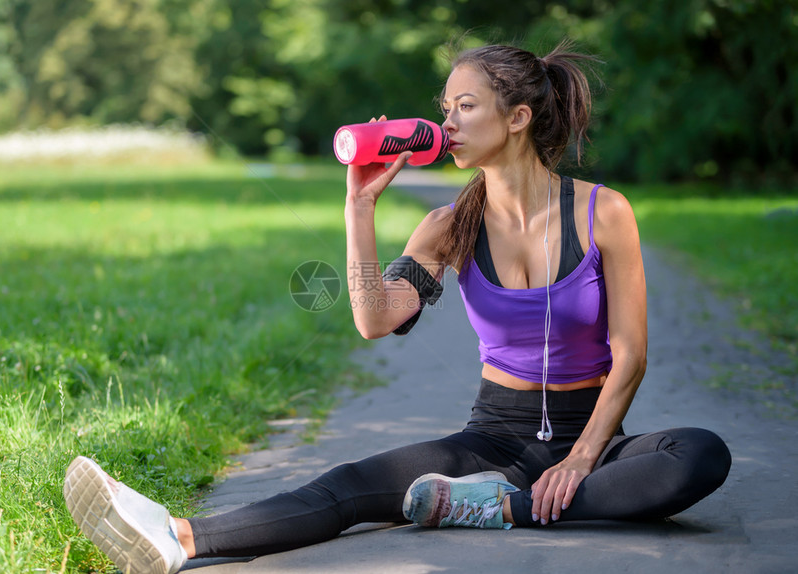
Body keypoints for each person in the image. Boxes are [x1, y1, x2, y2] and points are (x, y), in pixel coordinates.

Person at [62, 41, 732, 573]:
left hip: (592, 438)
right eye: (446, 107)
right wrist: (360, 207)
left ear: (519, 117)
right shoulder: (450, 225)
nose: (446, 123)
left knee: (699, 455)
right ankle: (177, 537)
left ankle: (503, 509)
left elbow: (632, 354)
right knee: (352, 483)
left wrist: (582, 459)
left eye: (465, 106)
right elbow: (374, 318)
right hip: (492, 437)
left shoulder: (603, 212)